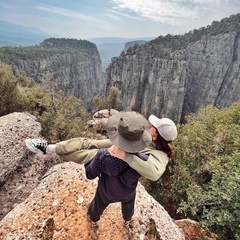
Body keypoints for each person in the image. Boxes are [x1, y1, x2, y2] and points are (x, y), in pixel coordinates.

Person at [25, 114, 177, 181]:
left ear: (157, 133)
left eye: (153, 126)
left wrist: (125, 156)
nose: (151, 126)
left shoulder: (161, 155)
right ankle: (51, 147)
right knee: (91, 142)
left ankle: (54, 152)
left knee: (92, 154)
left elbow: (154, 173)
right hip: (122, 144)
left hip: (117, 162)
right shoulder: (149, 137)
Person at [84, 111, 151, 227]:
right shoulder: (144, 160)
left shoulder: (104, 155)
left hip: (107, 192)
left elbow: (90, 174)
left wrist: (88, 159)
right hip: (128, 192)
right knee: (129, 205)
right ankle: (127, 220)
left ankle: (93, 219)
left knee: (98, 204)